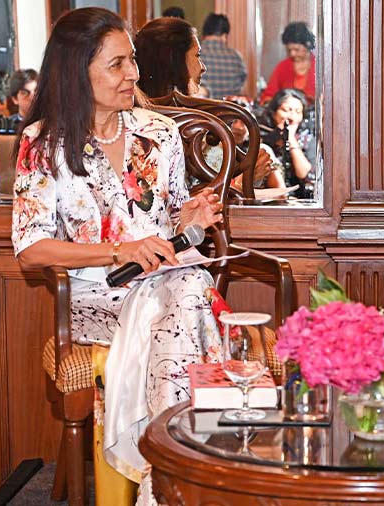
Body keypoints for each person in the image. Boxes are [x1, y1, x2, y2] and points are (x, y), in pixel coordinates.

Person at [11, 8, 225, 505]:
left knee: (187, 289)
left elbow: (170, 227)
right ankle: (181, 480)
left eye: (132, 61)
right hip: (97, 297)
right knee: (193, 308)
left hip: (166, 286)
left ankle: (161, 486)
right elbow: (30, 250)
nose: (133, 74)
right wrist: (116, 251)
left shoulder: (159, 133)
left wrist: (189, 217)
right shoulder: (42, 144)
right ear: (76, 70)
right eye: (116, 64)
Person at [134, 17, 281, 192]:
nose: (203, 67)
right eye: (197, 56)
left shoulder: (190, 122)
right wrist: (243, 182)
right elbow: (174, 205)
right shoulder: (152, 129)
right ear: (175, 61)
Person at [258, 88, 316, 199]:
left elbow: (304, 174)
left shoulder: (307, 139)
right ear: (274, 113)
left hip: (299, 200)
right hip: (267, 199)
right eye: (286, 110)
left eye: (298, 112)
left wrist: (290, 137)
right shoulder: (263, 136)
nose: (292, 116)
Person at [259, 21, 316, 104]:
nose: (292, 54)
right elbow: (268, 95)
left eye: (297, 49)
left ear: (308, 46)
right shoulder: (282, 67)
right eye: (289, 50)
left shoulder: (319, 67)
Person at [199, 13, 248, 99]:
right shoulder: (236, 57)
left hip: (201, 111)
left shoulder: (193, 54)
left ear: (204, 34)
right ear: (224, 35)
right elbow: (241, 85)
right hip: (229, 110)